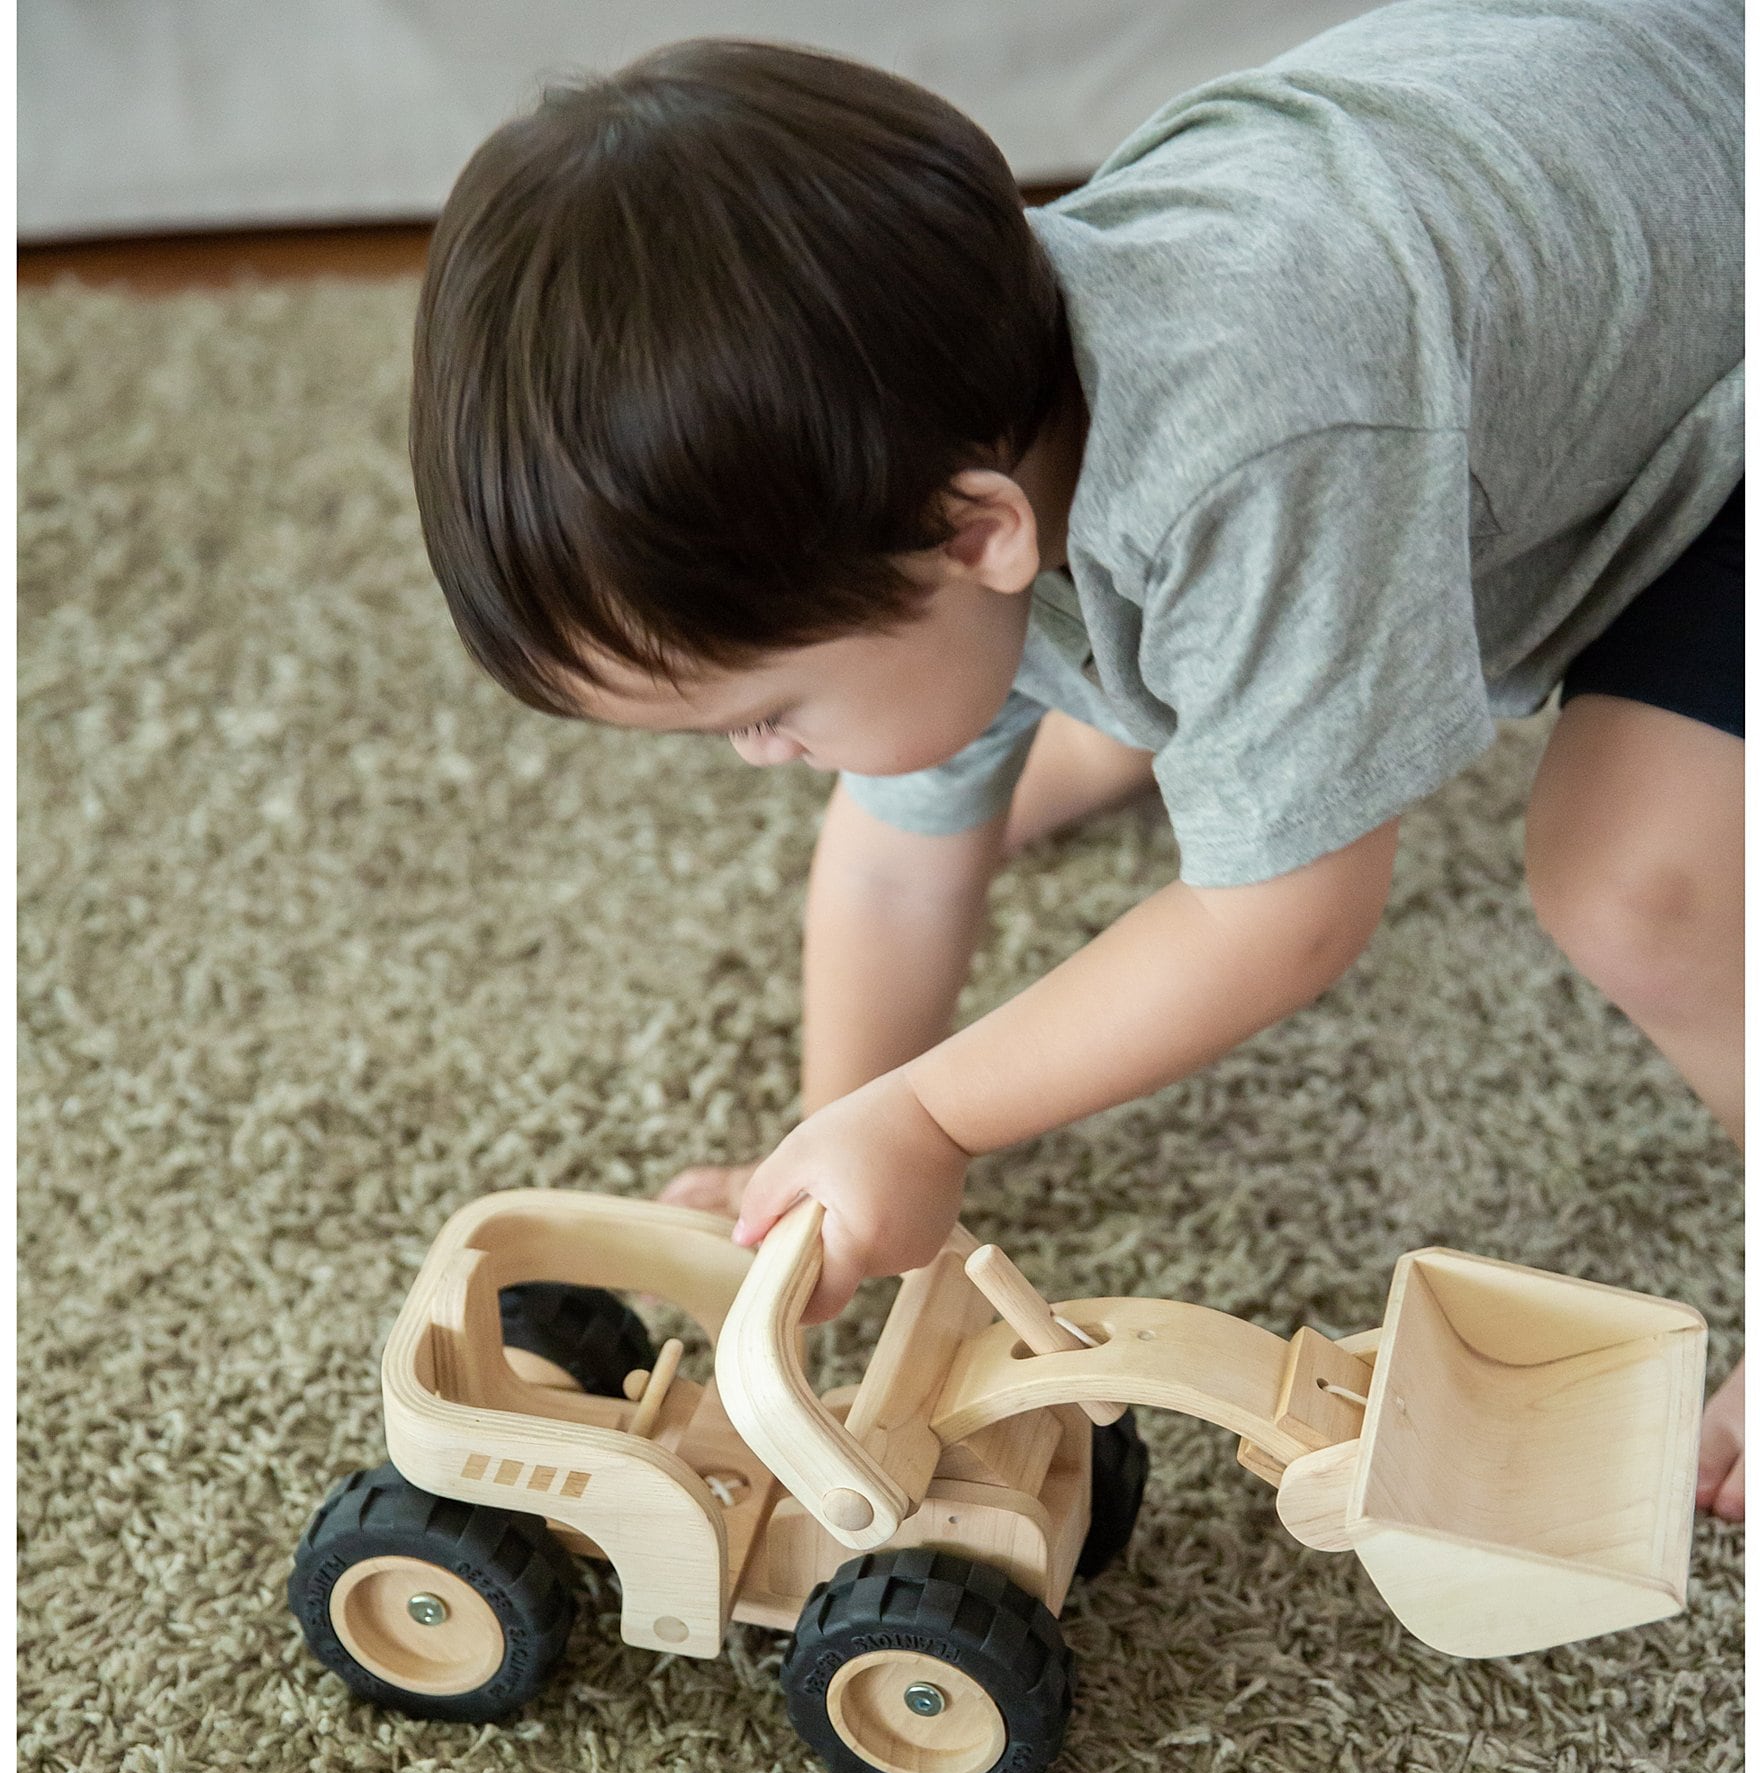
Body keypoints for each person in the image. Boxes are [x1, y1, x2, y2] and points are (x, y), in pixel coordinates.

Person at [407, 1, 1744, 1516]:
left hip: (1726, 380)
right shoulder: (933, 436)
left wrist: (933, 1116)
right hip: (1577, 219)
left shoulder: (1262, 451)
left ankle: (1224, 722)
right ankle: (1204, 716)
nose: (758, 760)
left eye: (766, 713)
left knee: (1641, 878)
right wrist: (838, 1153)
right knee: (1033, 708)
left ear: (981, 532)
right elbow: (900, 852)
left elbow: (1283, 915)